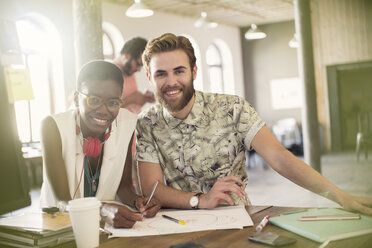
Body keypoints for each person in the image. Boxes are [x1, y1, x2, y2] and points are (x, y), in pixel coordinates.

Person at [135, 33, 372, 215]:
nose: (171, 82)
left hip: (236, 218)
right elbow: (152, 189)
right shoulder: (147, 123)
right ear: (149, 77)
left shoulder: (232, 108)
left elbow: (280, 158)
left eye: (179, 71)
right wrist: (199, 200)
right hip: (180, 223)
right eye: (161, 74)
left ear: (194, 72)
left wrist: (341, 197)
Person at [40, 60, 160, 228]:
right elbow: (62, 202)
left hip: (106, 230)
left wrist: (138, 201)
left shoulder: (127, 124)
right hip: (59, 228)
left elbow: (124, 187)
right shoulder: (52, 127)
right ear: (76, 99)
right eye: (93, 100)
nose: (103, 110)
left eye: (112, 103)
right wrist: (101, 211)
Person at [114, 37, 155, 114]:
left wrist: (143, 99)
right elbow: (105, 109)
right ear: (127, 55)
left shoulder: (129, 71)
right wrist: (130, 99)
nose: (139, 70)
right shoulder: (108, 73)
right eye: (138, 65)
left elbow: (131, 108)